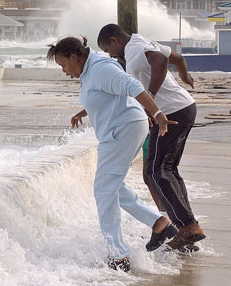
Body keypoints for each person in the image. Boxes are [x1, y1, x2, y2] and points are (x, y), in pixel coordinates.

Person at [47, 36, 174, 272]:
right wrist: (84, 112)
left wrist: (158, 115)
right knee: (112, 185)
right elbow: (106, 94)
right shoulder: (91, 69)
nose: (64, 71)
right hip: (123, 128)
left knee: (104, 189)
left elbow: (133, 87)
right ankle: (159, 223)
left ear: (74, 56)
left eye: (64, 65)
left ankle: (119, 255)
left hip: (122, 129)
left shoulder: (101, 68)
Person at [97, 24, 205, 252]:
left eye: (107, 49)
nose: (108, 54)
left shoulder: (134, 50)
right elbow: (177, 59)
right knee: (161, 171)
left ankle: (188, 227)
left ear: (114, 40)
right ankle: (184, 228)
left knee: (159, 172)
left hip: (172, 112)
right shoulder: (142, 42)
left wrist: (152, 96)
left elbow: (160, 61)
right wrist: (184, 75)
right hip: (177, 109)